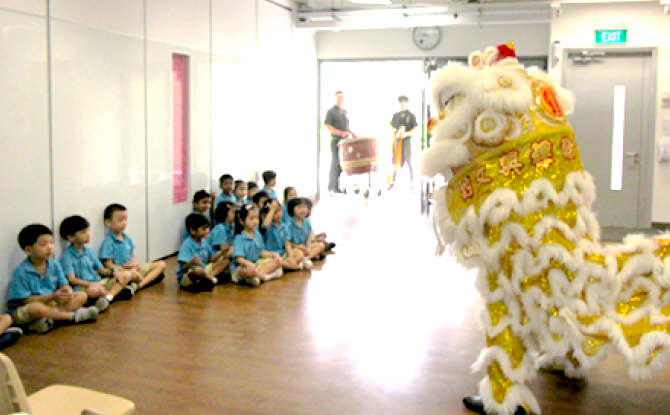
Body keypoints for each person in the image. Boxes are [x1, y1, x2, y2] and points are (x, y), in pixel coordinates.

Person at [7, 224, 99, 334]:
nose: (49, 247)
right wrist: (52, 296)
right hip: (27, 308)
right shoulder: (22, 271)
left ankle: (47, 321)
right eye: (43, 244)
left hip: (51, 303)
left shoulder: (54, 265)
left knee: (82, 295)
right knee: (36, 309)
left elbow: (64, 284)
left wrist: (67, 291)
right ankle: (72, 316)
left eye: (51, 243)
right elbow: (26, 300)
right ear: (28, 249)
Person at [59, 215, 133, 309]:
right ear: (71, 237)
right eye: (83, 232)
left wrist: (114, 272)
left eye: (88, 230)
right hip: (85, 286)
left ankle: (108, 297)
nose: (88, 234)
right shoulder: (67, 255)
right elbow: (72, 279)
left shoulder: (90, 251)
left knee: (125, 276)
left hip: (98, 282)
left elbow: (101, 269)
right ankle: (110, 296)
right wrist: (91, 284)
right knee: (93, 291)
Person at [100, 204, 166, 298]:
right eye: (120, 220)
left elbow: (133, 255)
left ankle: (139, 285)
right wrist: (123, 269)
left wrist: (135, 263)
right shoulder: (108, 242)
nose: (124, 223)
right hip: (123, 272)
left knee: (161, 264)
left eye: (125, 220)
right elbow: (108, 264)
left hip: (133, 269)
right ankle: (135, 283)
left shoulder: (127, 238)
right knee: (130, 275)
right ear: (108, 222)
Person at [230, 204, 283, 287]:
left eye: (257, 218)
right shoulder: (239, 238)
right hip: (242, 267)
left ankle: (257, 277)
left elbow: (261, 252)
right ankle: (266, 276)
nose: (255, 221)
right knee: (249, 271)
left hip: (256, 263)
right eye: (251, 219)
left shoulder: (257, 234)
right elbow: (239, 259)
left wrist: (274, 255)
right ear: (241, 221)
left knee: (277, 262)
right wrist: (248, 264)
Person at [177, 214, 228, 292]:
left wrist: (222, 252)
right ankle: (208, 280)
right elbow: (184, 268)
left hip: (203, 270)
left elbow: (210, 259)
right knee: (198, 270)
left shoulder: (205, 242)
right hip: (189, 274)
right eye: (204, 229)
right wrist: (190, 263)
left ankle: (208, 278)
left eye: (207, 228)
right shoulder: (187, 245)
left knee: (225, 261)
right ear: (193, 231)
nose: (207, 231)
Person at [259, 200, 306, 271]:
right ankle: (296, 267)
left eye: (279, 210)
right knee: (275, 261)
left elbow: (287, 243)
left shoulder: (285, 226)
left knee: (299, 254)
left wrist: (290, 256)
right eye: (275, 212)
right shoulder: (268, 225)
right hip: (270, 255)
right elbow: (265, 225)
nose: (278, 214)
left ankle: (285, 266)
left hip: (282, 253)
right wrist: (272, 210)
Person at [325, 91, 356, 194]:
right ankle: (332, 187)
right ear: (335, 98)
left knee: (342, 164)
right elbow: (328, 126)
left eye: (341, 97)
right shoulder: (331, 112)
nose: (340, 99)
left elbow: (346, 126)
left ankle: (335, 185)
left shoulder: (344, 112)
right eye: (338, 97)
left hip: (345, 142)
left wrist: (352, 133)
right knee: (335, 163)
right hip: (335, 141)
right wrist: (340, 133)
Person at [389, 95, 418, 189]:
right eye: (401, 102)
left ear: (407, 103)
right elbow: (392, 127)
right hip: (397, 141)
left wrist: (406, 134)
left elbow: (415, 128)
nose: (402, 104)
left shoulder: (411, 115)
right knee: (395, 161)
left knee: (409, 161)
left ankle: (412, 182)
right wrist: (397, 131)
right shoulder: (395, 116)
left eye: (404, 102)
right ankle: (393, 181)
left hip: (406, 141)